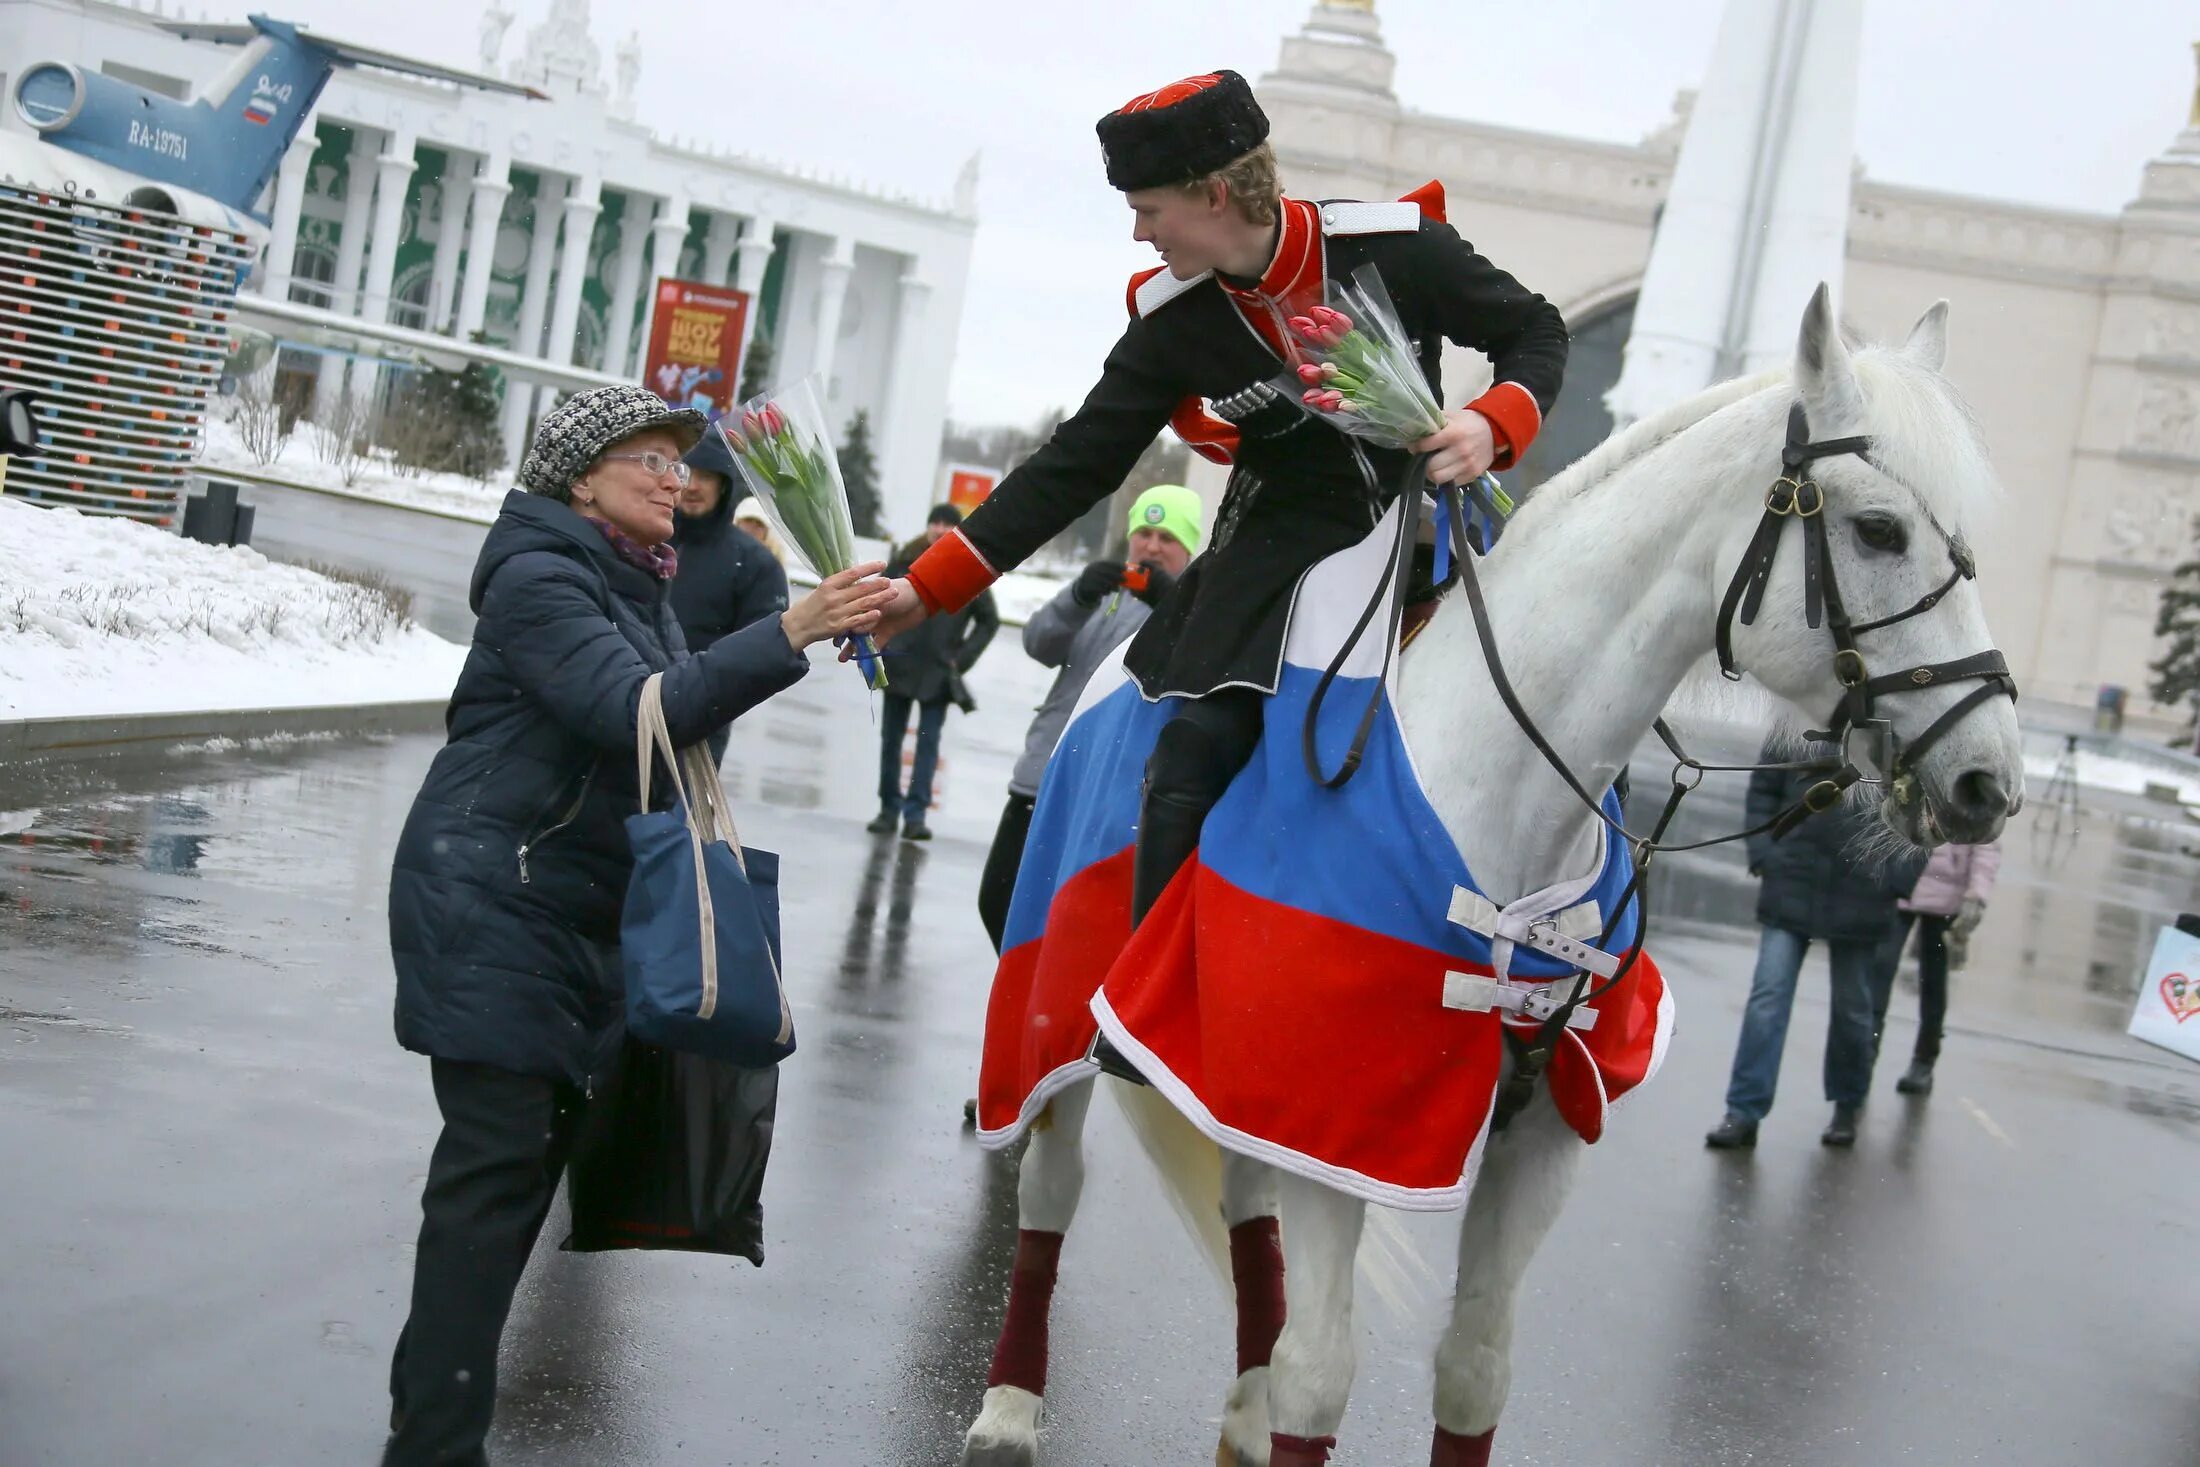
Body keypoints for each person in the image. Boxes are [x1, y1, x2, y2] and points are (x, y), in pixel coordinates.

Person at [864, 70, 1566, 936]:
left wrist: (1493, 423)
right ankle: (1156, 996)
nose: (1138, 231)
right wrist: (924, 588)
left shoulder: (1395, 245)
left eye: (1149, 209)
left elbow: (1535, 328)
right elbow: (1071, 466)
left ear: (1214, 193)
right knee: (1188, 757)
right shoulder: (1173, 321)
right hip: (1270, 559)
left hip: (1425, 540)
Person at [380, 385, 892, 1467]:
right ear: (579, 478)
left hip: (573, 908)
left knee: (510, 1199)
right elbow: (635, 712)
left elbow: (670, 715)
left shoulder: (633, 576)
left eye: (679, 457)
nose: (677, 475)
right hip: (495, 902)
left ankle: (432, 1435)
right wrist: (790, 629)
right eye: (648, 458)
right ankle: (433, 1447)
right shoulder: (540, 574)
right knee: (490, 1189)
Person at [977, 483, 1204, 950]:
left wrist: (1173, 608)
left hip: (1112, 792)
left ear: (1189, 547)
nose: (1152, 547)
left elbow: (1197, 671)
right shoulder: (1102, 592)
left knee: (1075, 925)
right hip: (1043, 775)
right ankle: (1025, 1004)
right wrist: (1077, 596)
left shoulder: (1198, 608)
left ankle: (1052, 1014)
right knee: (999, 900)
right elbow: (1038, 643)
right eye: (1144, 533)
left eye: (1168, 538)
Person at [1705, 752, 1930, 1151]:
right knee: (1767, 999)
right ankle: (1743, 1112)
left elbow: (1923, 804)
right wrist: (1764, 853)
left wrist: (1896, 879)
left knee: (1853, 1010)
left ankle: (1847, 1105)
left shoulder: (1899, 712)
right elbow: (1764, 786)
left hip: (1864, 888)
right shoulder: (1799, 710)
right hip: (1793, 876)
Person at [869, 503, 1001, 842]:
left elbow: (989, 621)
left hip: (938, 671)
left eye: (947, 524)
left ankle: (916, 815)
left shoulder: (969, 570)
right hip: (899, 663)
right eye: (935, 522)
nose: (940, 529)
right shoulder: (905, 561)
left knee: (928, 746)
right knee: (891, 741)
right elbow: (881, 604)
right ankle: (888, 809)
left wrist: (961, 659)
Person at [671, 434, 792, 761]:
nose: (693, 486)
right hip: (628, 706)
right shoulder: (643, 541)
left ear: (724, 485)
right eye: (685, 473)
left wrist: (707, 696)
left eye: (706, 476)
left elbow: (765, 652)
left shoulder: (755, 564)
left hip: (701, 724)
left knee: (679, 812)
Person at [1876, 839, 2000, 1097]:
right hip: (1900, 880)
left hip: (1948, 896)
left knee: (1933, 982)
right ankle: (1863, 1054)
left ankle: (1924, 1060)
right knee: (1879, 970)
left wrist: (1977, 894)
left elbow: (1987, 838)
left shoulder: (1974, 796)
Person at [732, 494, 791, 565]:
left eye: (759, 524)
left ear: (766, 532)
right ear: (737, 523)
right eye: (749, 520)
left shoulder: (772, 564)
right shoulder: (721, 551)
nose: (753, 527)